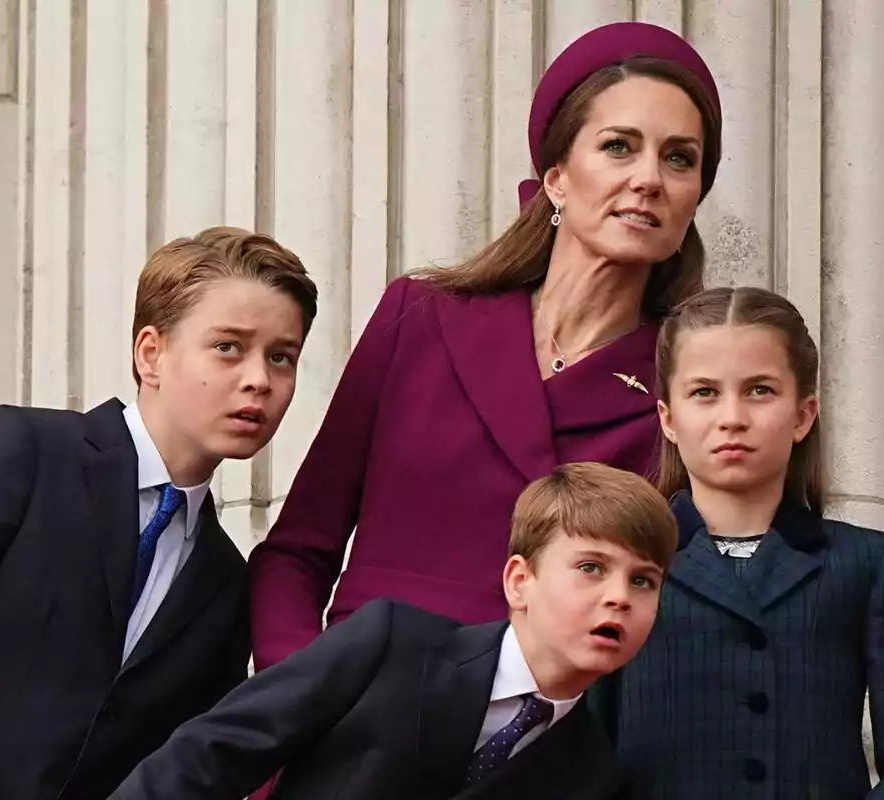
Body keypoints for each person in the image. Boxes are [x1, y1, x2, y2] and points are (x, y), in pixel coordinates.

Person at [250, 21, 724, 675]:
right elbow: (297, 553)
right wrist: (297, 707)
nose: (649, 178)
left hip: (537, 749)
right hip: (353, 726)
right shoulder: (419, 318)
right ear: (556, 177)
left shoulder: (686, 390)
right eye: (619, 146)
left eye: (679, 158)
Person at [0, 227, 318, 800]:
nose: (259, 379)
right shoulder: (25, 450)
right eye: (228, 346)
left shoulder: (227, 581)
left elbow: (183, 768)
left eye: (282, 357)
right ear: (150, 354)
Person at [108, 463, 678, 800]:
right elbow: (214, 751)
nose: (618, 597)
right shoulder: (392, 642)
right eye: (591, 567)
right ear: (518, 580)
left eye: (644, 581)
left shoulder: (594, 776)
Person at [594, 286, 884, 798]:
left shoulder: (866, 562)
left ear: (802, 415)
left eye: (760, 390)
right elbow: (578, 751)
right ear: (669, 419)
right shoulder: (621, 562)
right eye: (704, 392)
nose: (732, 418)